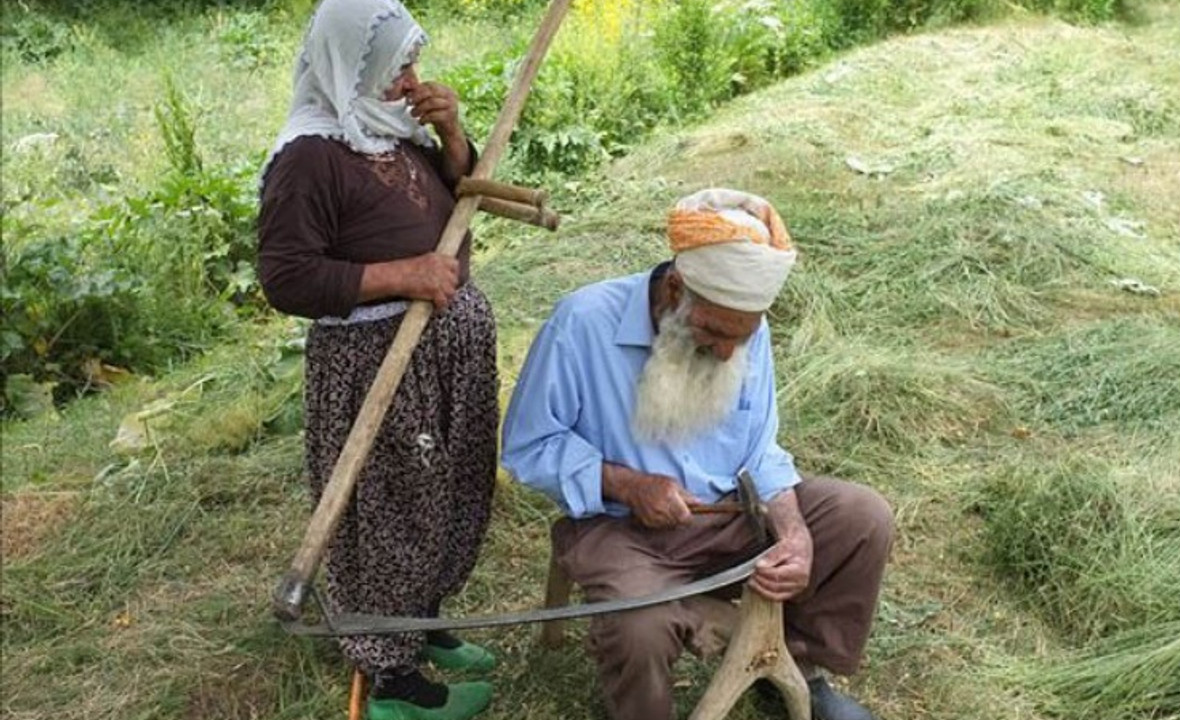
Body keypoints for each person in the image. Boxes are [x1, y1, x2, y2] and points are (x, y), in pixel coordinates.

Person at [501, 189, 894, 720]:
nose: (727, 351)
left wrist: (796, 536)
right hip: (619, 531)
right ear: (675, 289)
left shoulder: (740, 330)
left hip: (730, 516)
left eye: (741, 337)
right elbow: (529, 444)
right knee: (638, 626)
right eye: (712, 331)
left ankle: (794, 667)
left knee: (862, 518)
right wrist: (628, 485)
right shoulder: (583, 322)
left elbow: (761, 449)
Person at [257, 1, 498, 718]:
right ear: (351, 69)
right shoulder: (308, 158)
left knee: (445, 493)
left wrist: (453, 129)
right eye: (397, 69)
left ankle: (421, 618)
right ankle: (392, 678)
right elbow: (286, 278)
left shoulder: (395, 131)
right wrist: (405, 275)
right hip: (377, 364)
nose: (411, 82)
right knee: (390, 509)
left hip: (447, 350)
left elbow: (467, 195)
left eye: (413, 65)